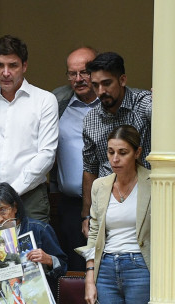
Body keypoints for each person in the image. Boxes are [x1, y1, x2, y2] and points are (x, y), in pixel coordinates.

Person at [0, 35, 59, 231]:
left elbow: (47, 155)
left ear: (24, 66)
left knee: (32, 259)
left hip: (29, 197)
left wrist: (8, 195)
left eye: (12, 65)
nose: (5, 72)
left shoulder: (44, 101)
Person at [83, 125, 151, 304]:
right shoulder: (100, 186)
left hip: (139, 267)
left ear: (138, 153)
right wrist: (89, 279)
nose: (115, 159)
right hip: (106, 269)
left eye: (123, 153)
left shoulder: (154, 183)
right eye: (111, 152)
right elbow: (93, 234)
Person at [81, 52, 152, 236]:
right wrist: (87, 214)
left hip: (145, 201)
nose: (101, 91)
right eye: (95, 85)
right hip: (108, 204)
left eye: (107, 83)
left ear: (122, 80)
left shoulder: (142, 105)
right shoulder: (91, 120)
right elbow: (90, 167)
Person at [51, 46, 100, 268]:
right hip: (69, 206)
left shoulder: (115, 102)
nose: (79, 79)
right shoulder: (56, 102)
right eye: (73, 73)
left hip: (110, 203)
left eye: (85, 72)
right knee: (74, 273)